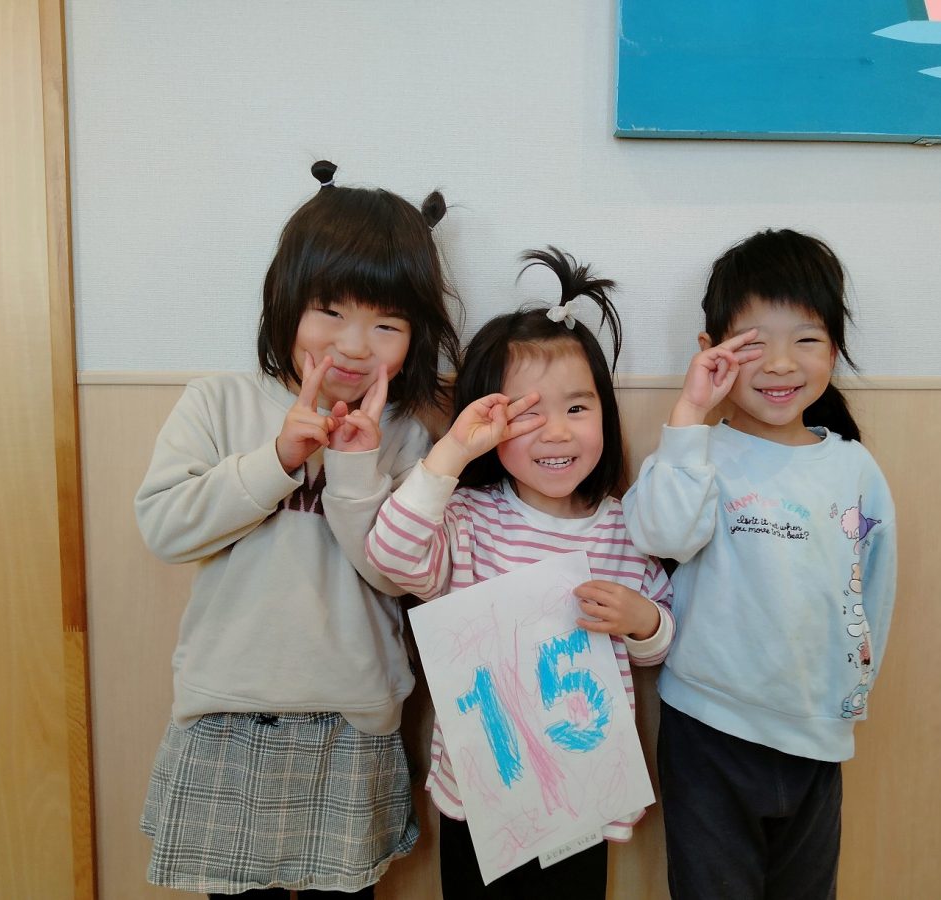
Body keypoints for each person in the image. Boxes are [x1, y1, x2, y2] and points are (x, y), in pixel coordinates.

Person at [134, 160, 461, 898]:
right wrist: (278, 460)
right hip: (227, 711)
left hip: (352, 719)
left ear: (415, 337)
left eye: (386, 324)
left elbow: (396, 575)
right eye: (331, 311)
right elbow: (165, 529)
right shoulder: (218, 403)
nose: (355, 345)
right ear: (285, 301)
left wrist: (354, 469)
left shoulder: (409, 434)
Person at [354, 247, 674, 900]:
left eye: (578, 408)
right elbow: (390, 555)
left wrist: (644, 622)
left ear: (606, 415)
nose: (557, 432)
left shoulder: (624, 526)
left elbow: (662, 640)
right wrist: (452, 451)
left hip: (580, 799)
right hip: (481, 795)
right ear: (490, 421)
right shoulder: (468, 518)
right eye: (528, 413)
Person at [622, 228, 898, 900]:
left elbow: (874, 590)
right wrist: (690, 413)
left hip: (815, 734)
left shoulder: (854, 468)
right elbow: (658, 533)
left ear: (833, 349)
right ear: (711, 351)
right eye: (754, 343)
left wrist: (850, 695)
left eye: (806, 339)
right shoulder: (698, 452)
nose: (780, 363)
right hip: (707, 729)